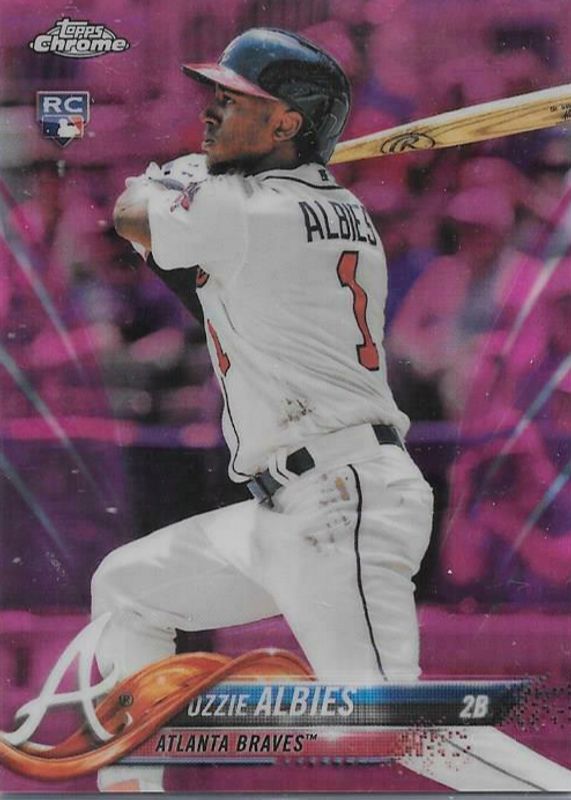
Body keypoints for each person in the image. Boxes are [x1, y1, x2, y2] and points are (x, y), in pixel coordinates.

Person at [93, 28, 570, 793]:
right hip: (294, 500)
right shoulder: (329, 209)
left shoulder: (252, 211)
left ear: (287, 122)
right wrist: (199, 180)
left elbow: (129, 212)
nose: (210, 112)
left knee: (391, 724)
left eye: (234, 101)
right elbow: (196, 285)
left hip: (339, 495)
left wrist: (174, 176)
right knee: (128, 586)